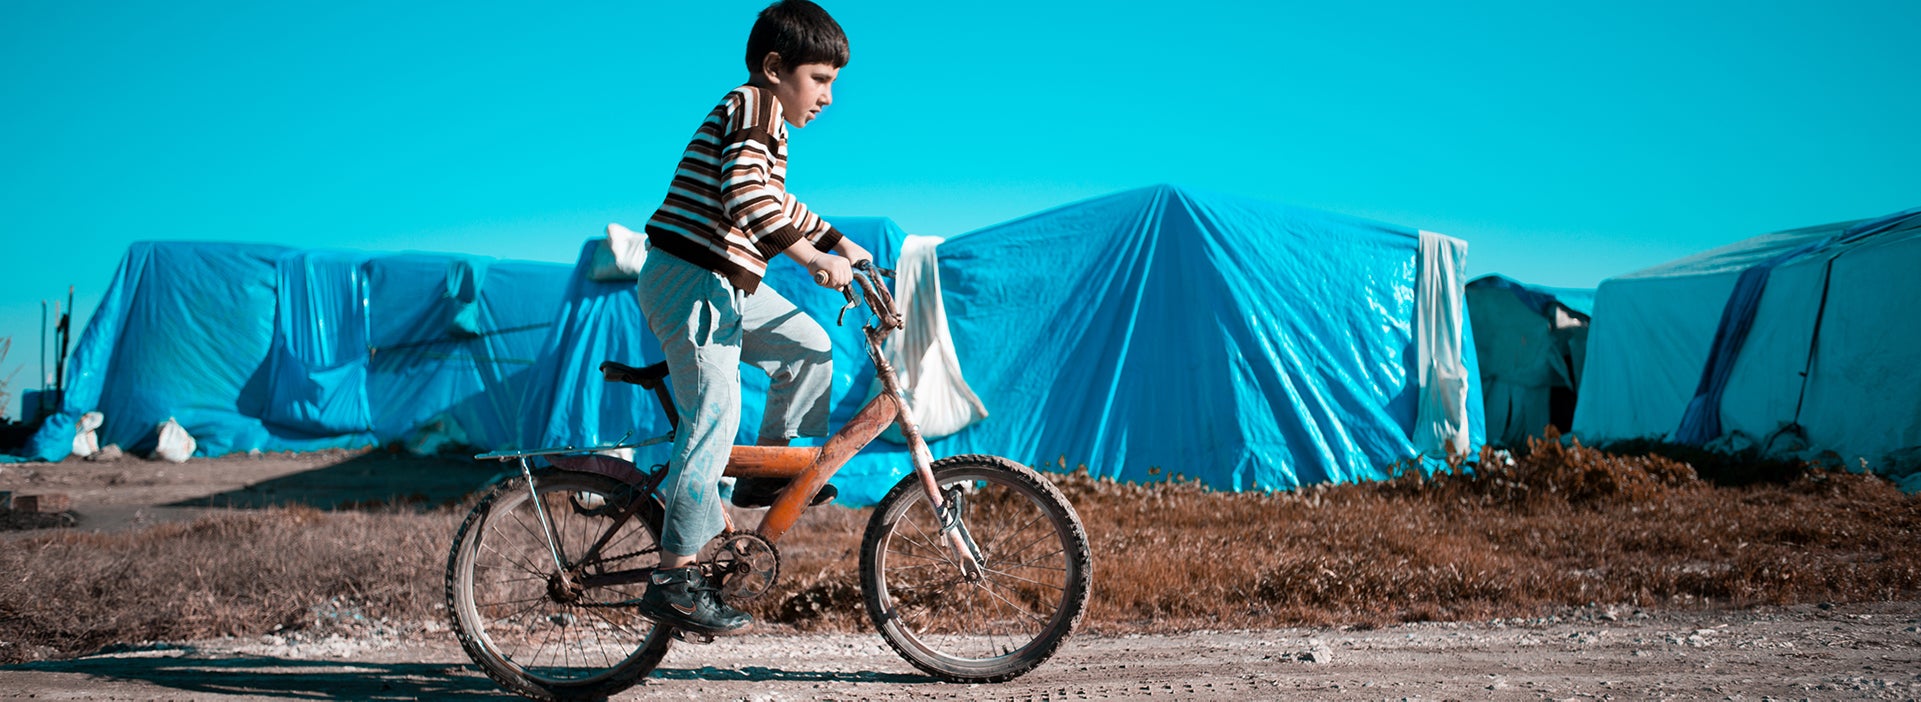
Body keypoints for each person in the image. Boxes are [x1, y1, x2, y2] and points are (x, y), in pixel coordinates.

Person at [629, 0, 869, 635]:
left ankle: (770, 474)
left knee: (810, 345)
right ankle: (672, 577)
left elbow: (777, 196)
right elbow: (746, 193)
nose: (827, 98)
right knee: (714, 414)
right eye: (819, 80)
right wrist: (813, 258)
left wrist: (841, 241)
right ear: (773, 67)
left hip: (726, 282)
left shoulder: (772, 127)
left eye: (832, 85)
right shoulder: (753, 104)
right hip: (689, 276)